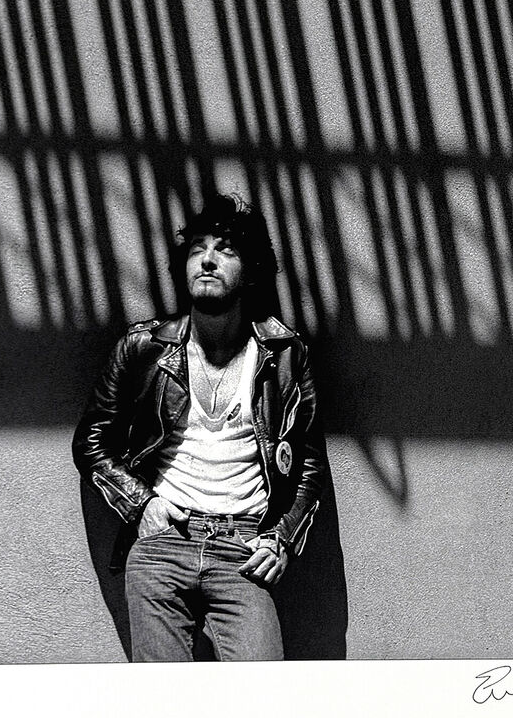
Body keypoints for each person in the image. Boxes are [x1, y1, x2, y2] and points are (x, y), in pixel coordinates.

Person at [72, 193, 331, 662]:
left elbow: (308, 464)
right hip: (163, 543)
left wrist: (282, 540)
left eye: (226, 249)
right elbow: (92, 442)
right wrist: (142, 506)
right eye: (197, 248)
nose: (207, 260)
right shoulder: (143, 347)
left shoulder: (285, 355)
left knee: (265, 702)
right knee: (167, 710)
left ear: (250, 271)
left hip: (244, 549)